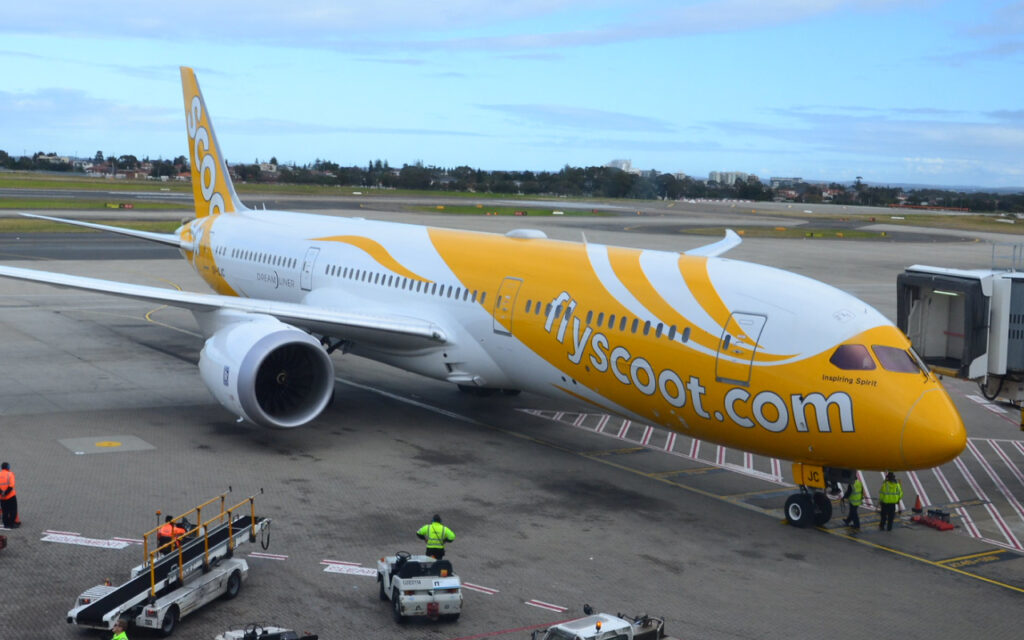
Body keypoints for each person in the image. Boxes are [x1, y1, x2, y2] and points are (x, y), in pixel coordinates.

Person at [0, 462, 18, 529]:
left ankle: (6, 524)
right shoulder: (10, 474)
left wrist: (2, 493)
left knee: (5, 511)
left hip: (2, 497)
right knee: (13, 510)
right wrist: (6, 493)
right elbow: (11, 485)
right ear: (8, 467)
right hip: (10, 496)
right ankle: (11, 524)